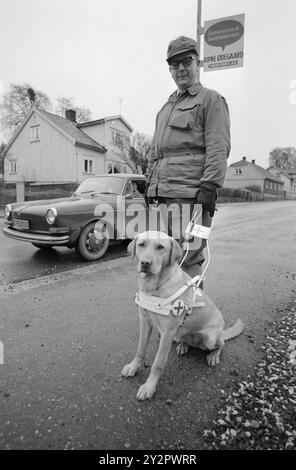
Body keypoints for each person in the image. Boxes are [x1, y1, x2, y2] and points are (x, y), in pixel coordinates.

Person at [146, 35, 231, 282]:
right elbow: (155, 153)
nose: (181, 68)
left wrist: (209, 187)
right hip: (163, 196)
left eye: (186, 61)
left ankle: (190, 315)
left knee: (189, 257)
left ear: (197, 63)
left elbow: (219, 147)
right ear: (170, 70)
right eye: (174, 64)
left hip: (192, 196)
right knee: (165, 258)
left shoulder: (210, 100)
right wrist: (150, 185)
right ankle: (169, 314)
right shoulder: (165, 108)